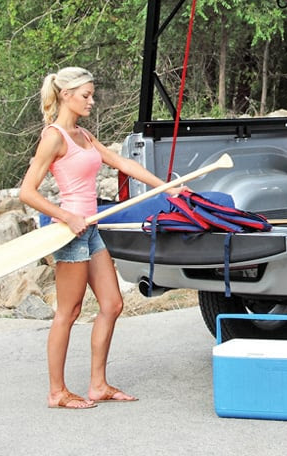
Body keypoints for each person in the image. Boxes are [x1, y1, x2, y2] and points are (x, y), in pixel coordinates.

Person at [19, 67, 181, 410]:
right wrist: (66, 216)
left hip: (92, 230)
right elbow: (27, 192)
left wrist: (167, 187)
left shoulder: (83, 135)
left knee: (112, 304)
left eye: (92, 94)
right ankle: (57, 392)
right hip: (70, 232)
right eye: (86, 95)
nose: (92, 100)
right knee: (69, 311)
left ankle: (98, 385)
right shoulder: (54, 137)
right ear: (66, 96)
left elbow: (121, 162)